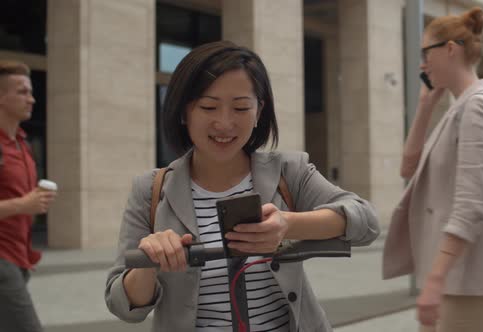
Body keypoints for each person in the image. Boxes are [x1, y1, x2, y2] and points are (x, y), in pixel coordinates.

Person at [105, 41, 380, 332]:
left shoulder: (289, 171)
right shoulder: (150, 190)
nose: (224, 123)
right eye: (208, 106)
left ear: (259, 111)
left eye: (240, 107)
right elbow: (123, 306)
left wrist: (288, 224)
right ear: (184, 112)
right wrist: (150, 262)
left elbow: (366, 222)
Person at [382, 7, 483, 332]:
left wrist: (435, 280)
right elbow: (408, 167)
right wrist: (425, 106)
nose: (422, 64)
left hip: (467, 279)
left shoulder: (478, 108)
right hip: (455, 276)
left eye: (425, 52)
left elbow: (472, 206)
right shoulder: (461, 106)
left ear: (450, 49)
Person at [0, 60, 57, 332]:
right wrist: (24, 204)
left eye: (31, 91)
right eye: (22, 92)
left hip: (18, 256)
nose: (31, 99)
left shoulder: (22, 143)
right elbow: (21, 202)